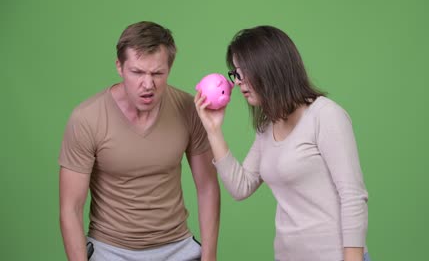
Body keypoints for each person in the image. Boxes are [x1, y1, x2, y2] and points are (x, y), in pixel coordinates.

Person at [194, 25, 370, 261]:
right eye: (236, 73)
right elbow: (241, 187)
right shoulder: (268, 127)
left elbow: (352, 195)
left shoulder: (325, 116)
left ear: (271, 67)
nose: (237, 82)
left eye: (244, 71)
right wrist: (213, 130)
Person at [59, 21, 220, 261]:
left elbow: (207, 187)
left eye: (157, 73)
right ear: (120, 67)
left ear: (169, 69)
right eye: (137, 72)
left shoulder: (189, 109)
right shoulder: (86, 118)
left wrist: (209, 258)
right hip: (110, 249)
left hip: (177, 247)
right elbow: (70, 209)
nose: (148, 84)